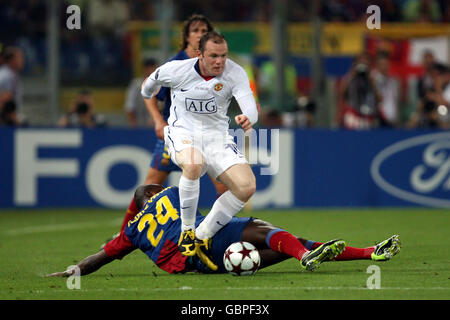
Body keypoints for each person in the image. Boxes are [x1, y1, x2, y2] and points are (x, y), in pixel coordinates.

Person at [46, 184, 401, 277]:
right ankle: (307, 253)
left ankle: (366, 251)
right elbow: (198, 210)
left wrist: (75, 269)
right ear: (151, 195)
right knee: (263, 228)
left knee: (266, 251)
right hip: (202, 238)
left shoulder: (133, 231)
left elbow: (102, 256)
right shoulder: (168, 193)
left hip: (195, 265)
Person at [141, 31, 259, 270]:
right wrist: (148, 91)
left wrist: (249, 118)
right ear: (199, 54)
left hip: (217, 138)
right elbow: (147, 86)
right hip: (182, 133)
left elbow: (249, 104)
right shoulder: (177, 70)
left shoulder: (235, 72)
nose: (220, 61)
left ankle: (201, 236)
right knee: (194, 163)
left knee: (246, 187)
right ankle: (186, 232)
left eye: (223, 55)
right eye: (214, 56)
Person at [115, 15, 227, 243]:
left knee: (224, 185)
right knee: (150, 186)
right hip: (177, 135)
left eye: (204, 30)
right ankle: (123, 236)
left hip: (208, 136)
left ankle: (216, 233)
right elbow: (150, 92)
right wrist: (158, 120)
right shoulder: (176, 64)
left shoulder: (217, 65)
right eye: (195, 29)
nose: (199, 33)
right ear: (186, 36)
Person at [124, 57, 157, 128]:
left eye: (152, 67)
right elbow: (129, 107)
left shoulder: (161, 86)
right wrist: (133, 125)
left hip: (157, 127)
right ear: (144, 69)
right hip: (139, 127)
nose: (150, 70)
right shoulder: (136, 85)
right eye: (148, 68)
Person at [0, 46, 26, 126]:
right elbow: (4, 98)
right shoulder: (5, 76)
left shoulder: (13, 74)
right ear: (12, 60)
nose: (23, 60)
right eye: (20, 57)